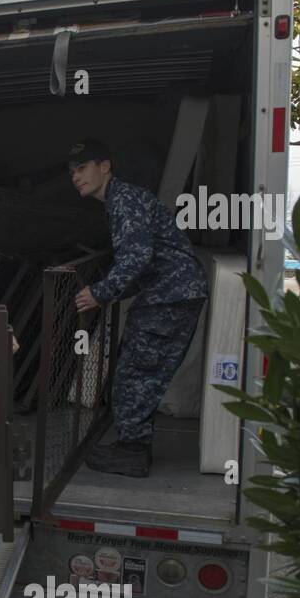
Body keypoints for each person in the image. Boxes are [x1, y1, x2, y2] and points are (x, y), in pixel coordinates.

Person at [68, 138, 209, 477]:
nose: (76, 177)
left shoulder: (124, 201)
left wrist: (100, 292)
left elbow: (137, 257)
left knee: (136, 374)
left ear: (105, 166)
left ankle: (132, 452)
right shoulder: (121, 199)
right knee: (139, 371)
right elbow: (142, 259)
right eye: (72, 172)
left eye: (83, 168)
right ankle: (133, 445)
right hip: (171, 292)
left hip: (169, 295)